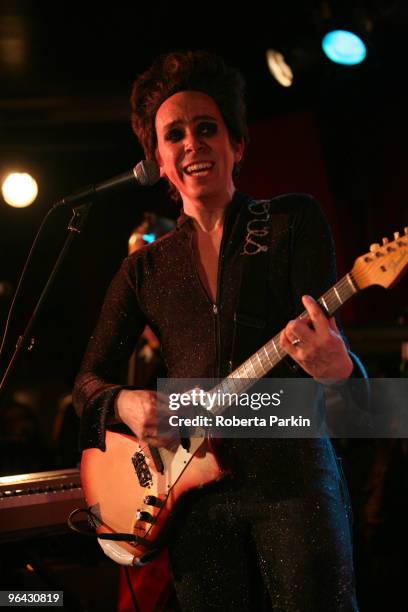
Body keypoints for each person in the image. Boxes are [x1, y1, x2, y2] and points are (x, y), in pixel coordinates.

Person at [73, 50, 365, 611]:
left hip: (294, 484)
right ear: (157, 160)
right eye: (173, 134)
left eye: (207, 128)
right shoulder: (145, 269)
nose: (191, 143)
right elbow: (87, 381)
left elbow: (351, 396)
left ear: (237, 144)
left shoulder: (291, 222)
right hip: (192, 503)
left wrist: (341, 370)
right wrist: (128, 403)